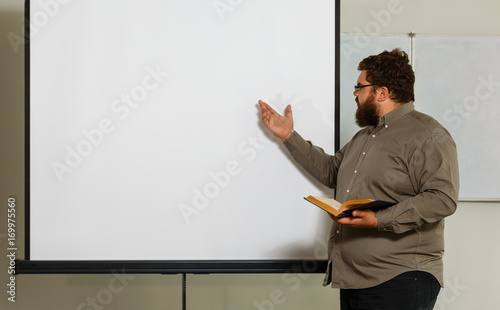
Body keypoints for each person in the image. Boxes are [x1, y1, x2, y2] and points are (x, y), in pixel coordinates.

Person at [258, 49, 459, 310]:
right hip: (355, 281)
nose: (355, 93)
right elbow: (332, 171)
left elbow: (442, 199)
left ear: (382, 92)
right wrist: (288, 135)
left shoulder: (428, 136)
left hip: (400, 280)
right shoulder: (364, 138)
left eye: (360, 87)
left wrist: (379, 219)